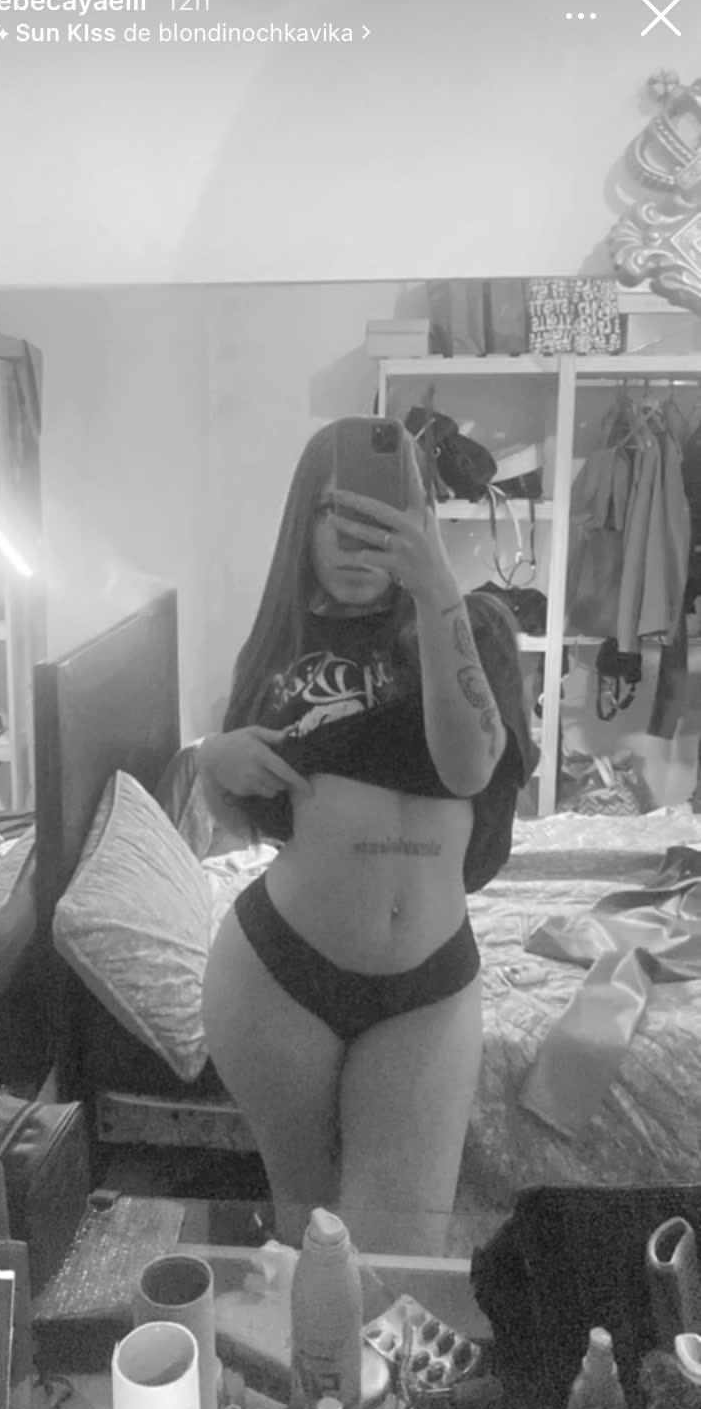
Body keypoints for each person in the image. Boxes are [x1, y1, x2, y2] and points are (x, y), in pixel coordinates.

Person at [199, 420, 537, 1253]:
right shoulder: (279, 644)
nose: (352, 539)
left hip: (427, 989)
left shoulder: (473, 626)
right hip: (276, 979)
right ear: (301, 525)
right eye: (331, 513)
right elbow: (246, 823)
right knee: (308, 1242)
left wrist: (436, 590)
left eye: (377, 514)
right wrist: (211, 760)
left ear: (417, 517)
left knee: (395, 1260)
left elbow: (469, 767)